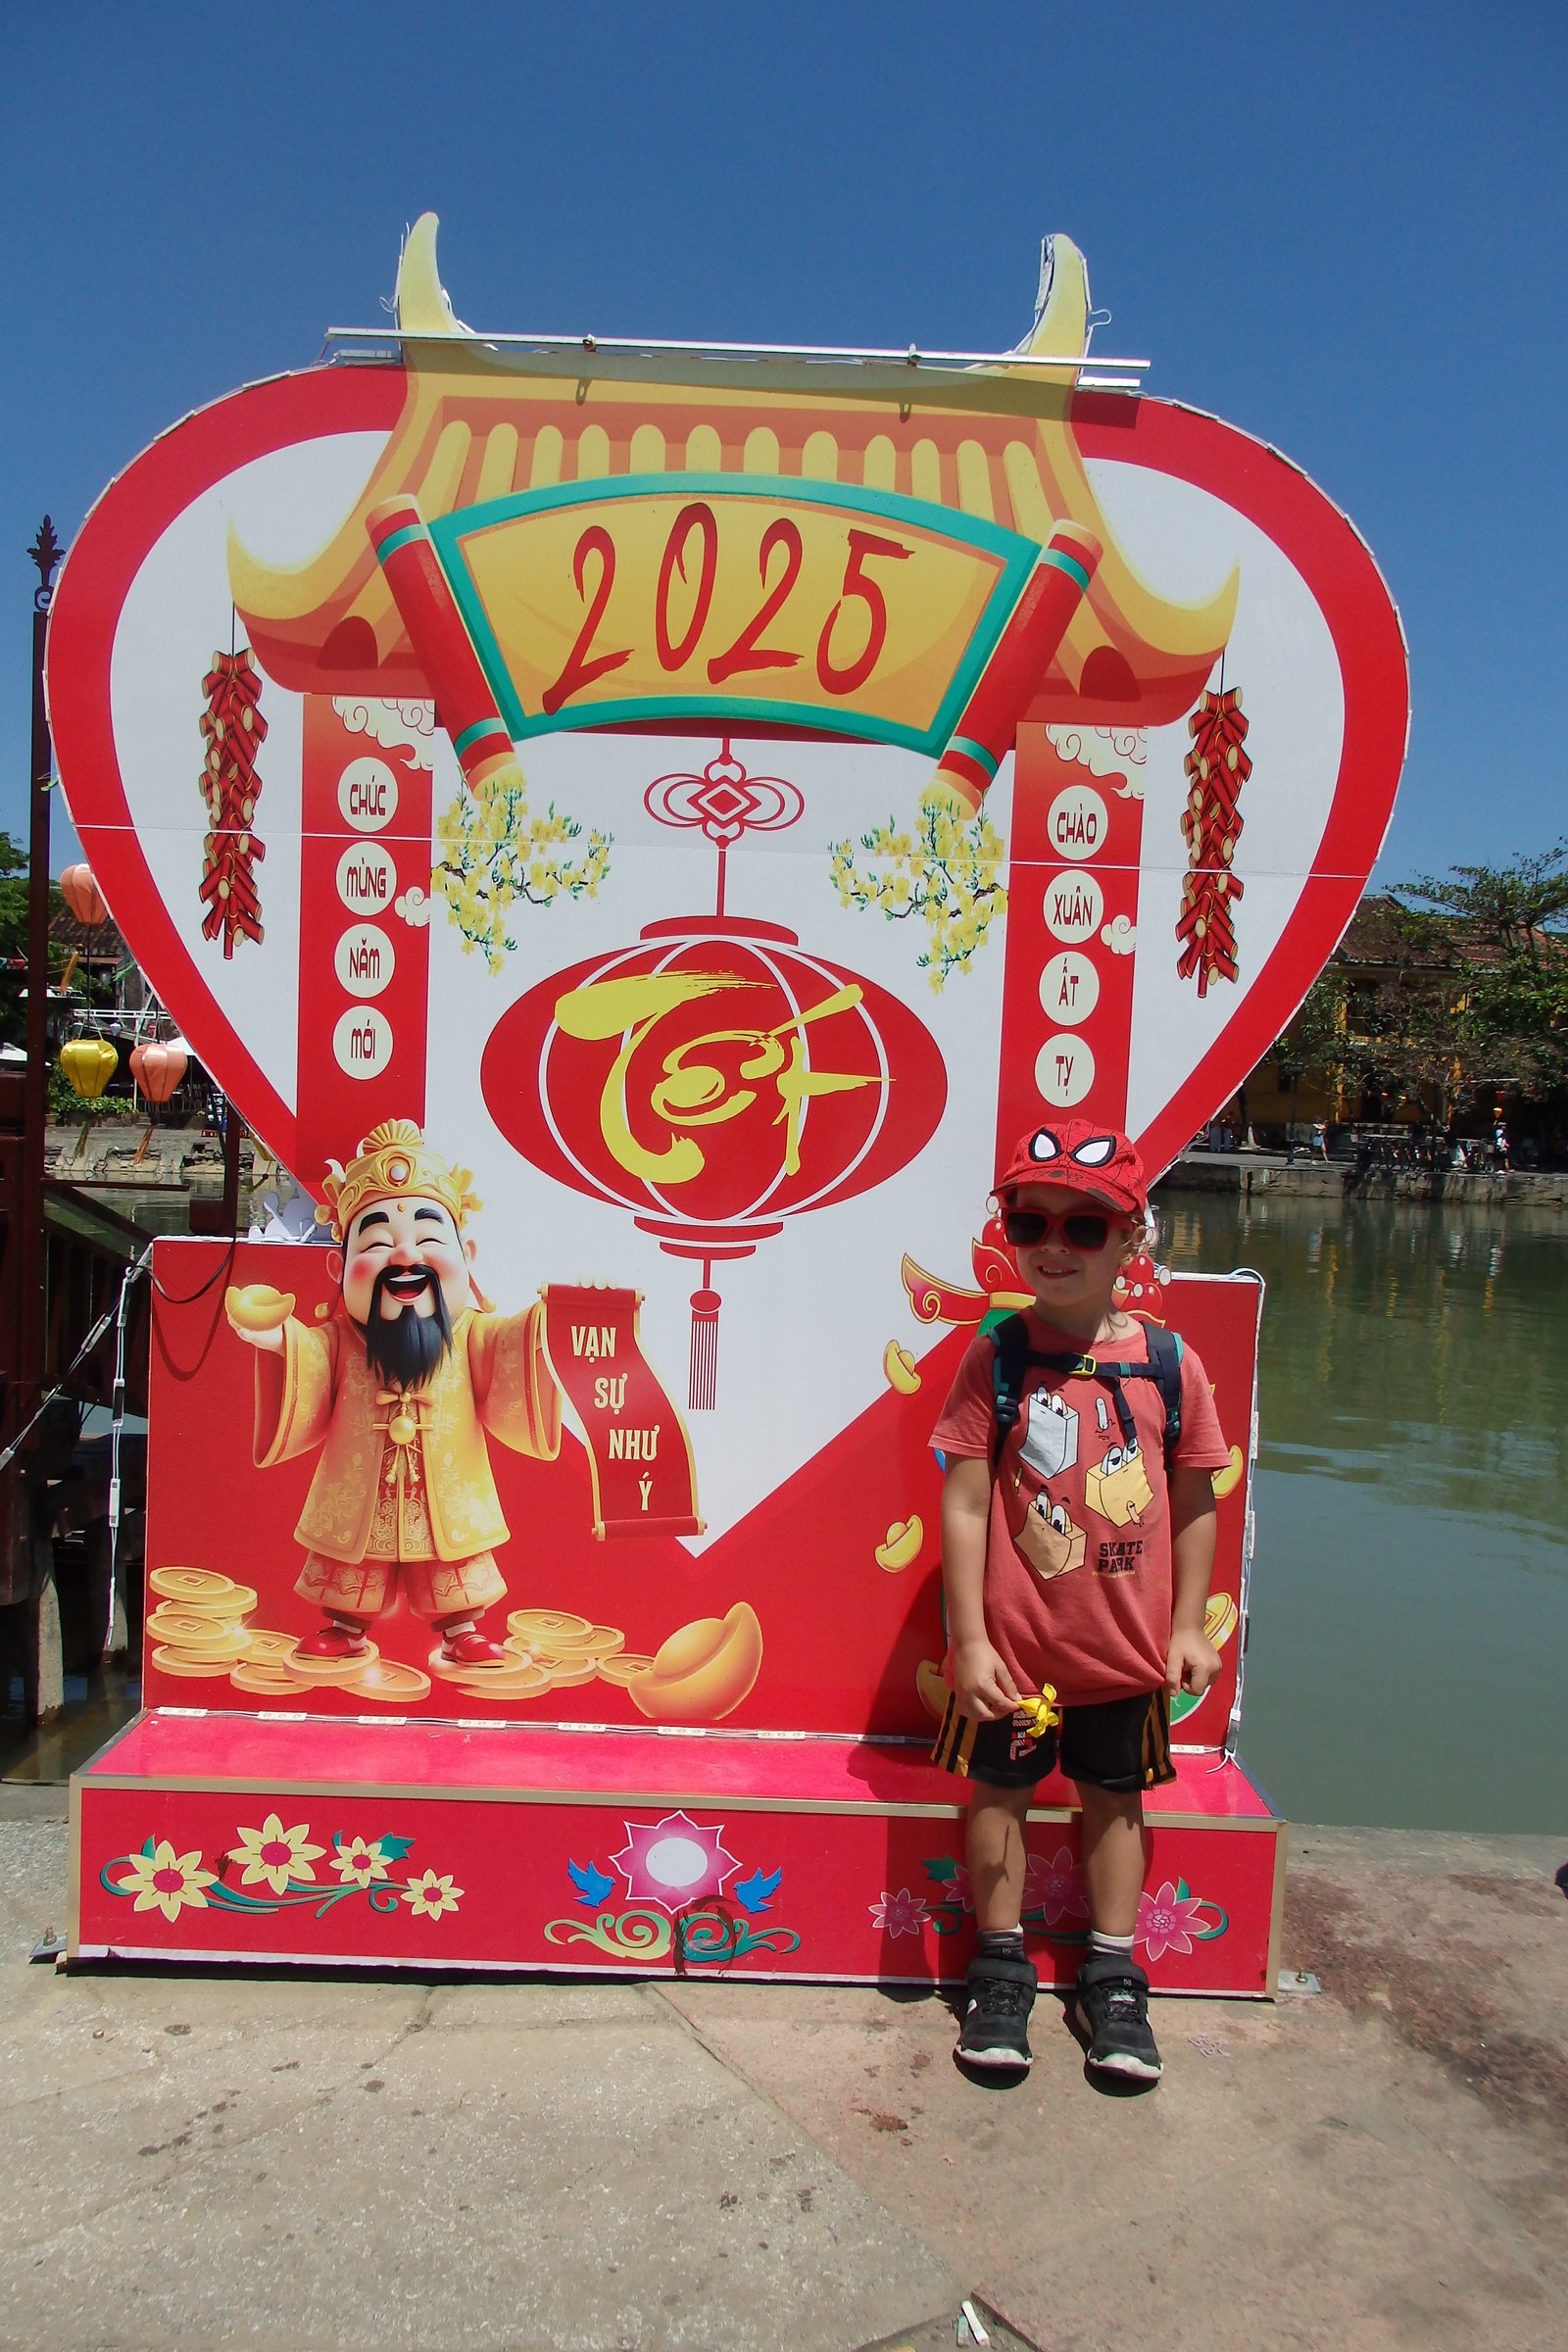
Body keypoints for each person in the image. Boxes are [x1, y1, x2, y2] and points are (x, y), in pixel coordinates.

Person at [929, 1119, 1231, 2085]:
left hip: (1124, 1652)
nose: (1053, 1246)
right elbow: (964, 1500)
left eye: (1084, 1227)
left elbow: (1196, 1499)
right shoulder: (996, 1356)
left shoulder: (1171, 1365)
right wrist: (970, 1640)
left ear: (1131, 1240)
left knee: (1116, 1802)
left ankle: (1112, 1975)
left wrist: (1186, 1626)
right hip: (1014, 1652)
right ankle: (998, 1969)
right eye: (1031, 1223)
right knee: (999, 1796)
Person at [225, 1119, 561, 1669]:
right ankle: (345, 1627)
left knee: (450, 1557)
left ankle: (462, 1630)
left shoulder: (472, 1334)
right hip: (361, 1486)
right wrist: (277, 1339)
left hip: (446, 1487)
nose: (405, 1257)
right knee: (355, 1557)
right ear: (339, 1267)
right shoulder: (340, 1340)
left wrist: (551, 1323)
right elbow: (309, 1358)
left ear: (467, 1255)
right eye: (378, 1243)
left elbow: (515, 1346)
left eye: (428, 1240)